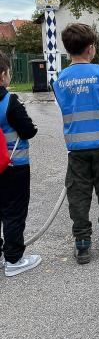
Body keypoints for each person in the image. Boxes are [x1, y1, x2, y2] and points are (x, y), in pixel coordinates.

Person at [53, 24, 99, 264]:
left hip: (77, 149)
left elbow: (65, 110)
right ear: (91, 48)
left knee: (79, 196)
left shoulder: (60, 80)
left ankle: (82, 244)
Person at [0, 51, 41, 276]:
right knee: (13, 211)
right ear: (3, 75)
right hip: (13, 166)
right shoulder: (9, 101)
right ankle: (14, 259)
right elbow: (28, 130)